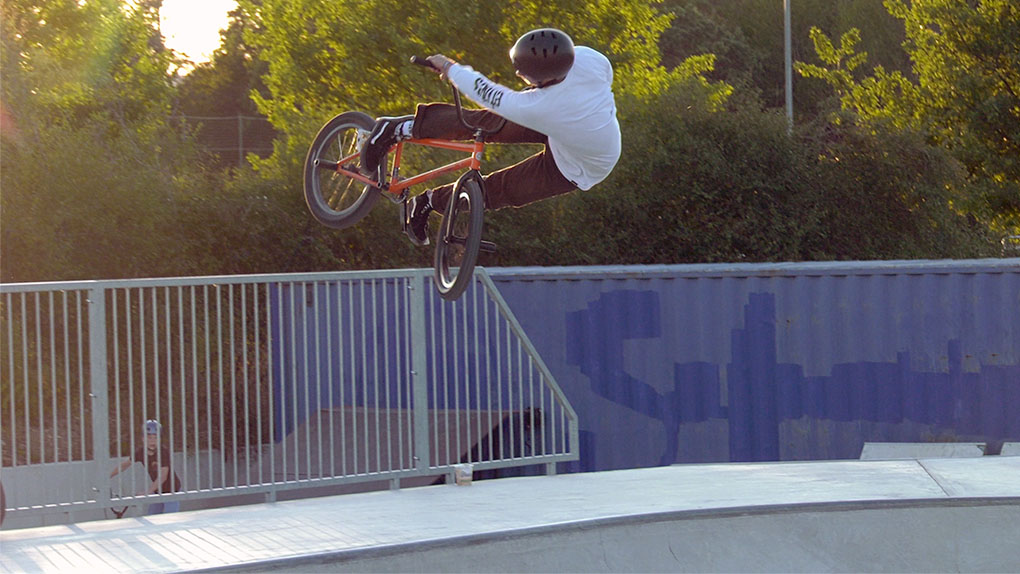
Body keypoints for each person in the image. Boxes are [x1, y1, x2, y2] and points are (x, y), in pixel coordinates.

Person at [360, 28, 622, 246]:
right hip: (572, 128)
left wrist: (450, 68)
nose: (519, 75)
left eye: (522, 72)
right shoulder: (590, 59)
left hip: (578, 166)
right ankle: (396, 129)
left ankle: (426, 202)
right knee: (487, 125)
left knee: (500, 189)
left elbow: (486, 92)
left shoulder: (541, 107)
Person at [110, 419, 182, 515]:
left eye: (155, 437)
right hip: (158, 490)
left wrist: (148, 492)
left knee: (169, 519)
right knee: (152, 517)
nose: (152, 441)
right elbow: (124, 465)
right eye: (149, 437)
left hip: (172, 491)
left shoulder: (163, 452)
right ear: (143, 439)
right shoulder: (140, 452)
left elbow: (163, 476)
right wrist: (107, 476)